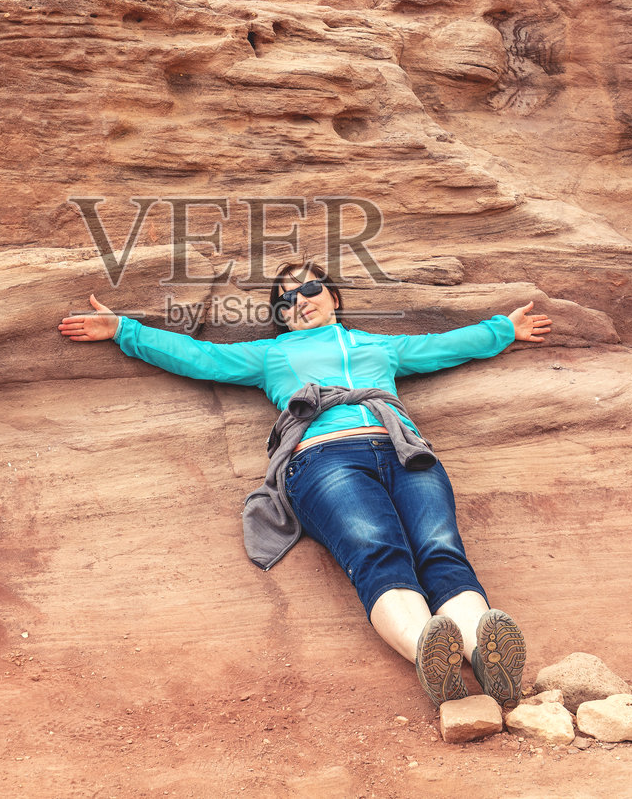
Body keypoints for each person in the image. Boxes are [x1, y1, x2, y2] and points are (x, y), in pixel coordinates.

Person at [58, 261, 552, 709]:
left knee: (441, 549)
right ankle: (428, 648)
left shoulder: (379, 346)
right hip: (324, 458)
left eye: (310, 287)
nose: (298, 300)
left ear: (333, 296)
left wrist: (503, 328)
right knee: (378, 551)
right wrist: (125, 329)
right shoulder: (271, 354)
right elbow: (200, 356)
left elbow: (443, 346)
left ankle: (483, 654)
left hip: (406, 451)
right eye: (285, 299)